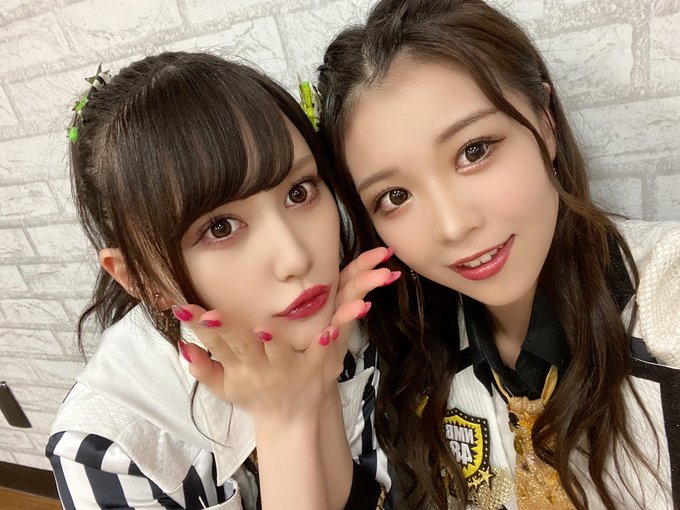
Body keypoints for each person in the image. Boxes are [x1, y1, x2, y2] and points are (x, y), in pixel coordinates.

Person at [317, 0, 680, 509]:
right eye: (395, 196)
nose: (452, 226)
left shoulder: (666, 300)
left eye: (474, 151)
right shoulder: (412, 360)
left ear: (545, 123)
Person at [45, 51, 397, 510]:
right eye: (220, 227)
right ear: (139, 278)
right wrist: (284, 421)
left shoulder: (359, 308)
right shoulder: (108, 451)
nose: (295, 258)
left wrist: (317, 395)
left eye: (298, 191)